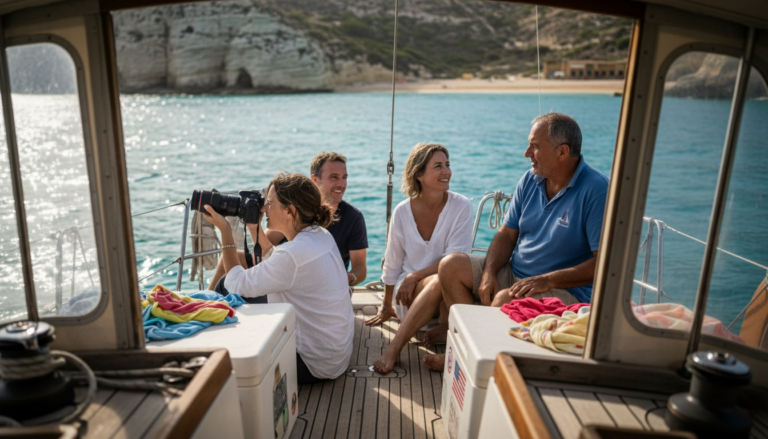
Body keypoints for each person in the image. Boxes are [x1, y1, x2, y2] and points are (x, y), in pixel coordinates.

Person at [422, 112, 608, 371]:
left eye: (535, 146)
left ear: (563, 152)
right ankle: (467, 343)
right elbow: (506, 234)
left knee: (504, 299)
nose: (526, 153)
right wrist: (489, 271)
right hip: (519, 273)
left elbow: (604, 265)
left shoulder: (597, 191)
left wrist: (547, 280)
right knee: (450, 266)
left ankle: (469, 357)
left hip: (566, 290)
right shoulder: (530, 179)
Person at [202, 173, 354, 384]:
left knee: (225, 287)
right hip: (334, 355)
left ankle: (209, 356)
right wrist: (254, 229)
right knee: (241, 294)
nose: (264, 209)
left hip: (312, 364)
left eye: (270, 203)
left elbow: (236, 284)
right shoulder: (319, 235)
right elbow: (276, 260)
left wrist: (225, 231)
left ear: (289, 211)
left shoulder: (293, 254)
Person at [367, 142, 473, 374]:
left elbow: (455, 259)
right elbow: (392, 261)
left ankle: (442, 329)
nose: (447, 171)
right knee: (438, 280)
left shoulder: (461, 206)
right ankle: (395, 348)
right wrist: (386, 306)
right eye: (438, 166)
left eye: (447, 164)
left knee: (445, 276)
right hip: (409, 296)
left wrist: (416, 275)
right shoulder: (403, 211)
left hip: (445, 294)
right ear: (419, 175)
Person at [309, 152, 368, 287]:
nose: (341, 184)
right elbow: (268, 244)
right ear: (314, 180)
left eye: (344, 177)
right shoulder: (299, 211)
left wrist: (347, 278)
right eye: (334, 177)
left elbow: (360, 268)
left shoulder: (354, 217)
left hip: (335, 289)